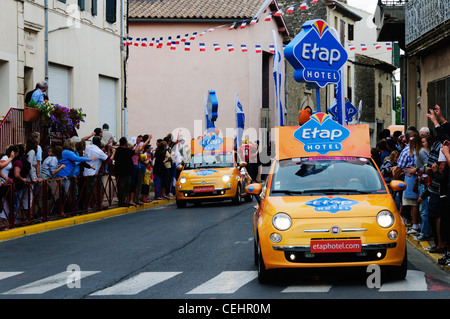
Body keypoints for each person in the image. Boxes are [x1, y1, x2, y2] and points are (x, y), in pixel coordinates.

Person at [397, 130, 422, 234]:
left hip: (410, 178)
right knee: (420, 202)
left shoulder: (407, 150)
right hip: (421, 177)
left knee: (413, 203)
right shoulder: (422, 149)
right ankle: (420, 224)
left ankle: (415, 225)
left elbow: (400, 165)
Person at [0, 145, 18, 228]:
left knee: (6, 202)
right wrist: (5, 178)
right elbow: (0, 167)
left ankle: (5, 221)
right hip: (2, 183)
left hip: (5, 182)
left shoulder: (8, 159)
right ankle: (4, 222)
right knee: (4, 202)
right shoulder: (5, 158)